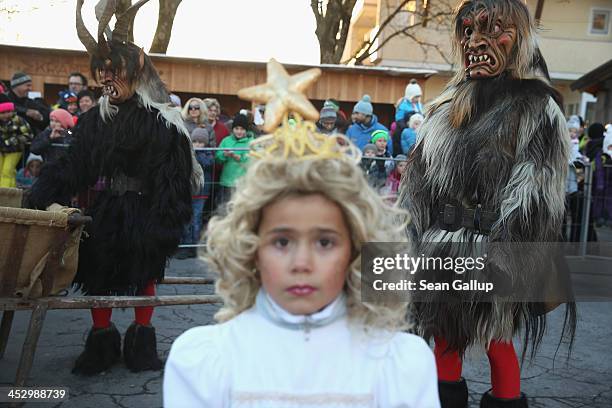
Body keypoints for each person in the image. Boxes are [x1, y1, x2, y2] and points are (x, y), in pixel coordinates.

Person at [164, 113, 439, 408]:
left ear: (355, 251)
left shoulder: (400, 363)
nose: (302, 263)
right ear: (252, 249)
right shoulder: (205, 360)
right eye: (282, 242)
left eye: (324, 242)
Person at [398, 1, 575, 407]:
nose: (476, 41)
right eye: (467, 31)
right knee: (444, 339)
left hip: (496, 250)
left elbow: (535, 195)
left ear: (518, 37)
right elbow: (416, 193)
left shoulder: (538, 108)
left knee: (497, 341)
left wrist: (506, 258)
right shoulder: (444, 109)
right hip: (440, 251)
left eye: (492, 30)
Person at [28, 0, 199, 376]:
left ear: (134, 74)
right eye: (102, 73)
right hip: (108, 210)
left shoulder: (161, 123)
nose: (107, 81)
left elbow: (173, 181)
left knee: (145, 276)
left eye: (115, 72)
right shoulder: (95, 121)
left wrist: (164, 225)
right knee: (99, 274)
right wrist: (42, 191)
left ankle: (142, 343)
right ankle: (101, 344)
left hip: (145, 210)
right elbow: (77, 164)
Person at [175, 127, 215, 259]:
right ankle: (186, 244)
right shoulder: (188, 153)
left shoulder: (207, 154)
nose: (198, 145)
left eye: (201, 142)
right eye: (195, 142)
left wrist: (199, 154)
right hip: (189, 190)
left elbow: (208, 163)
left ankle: (194, 246)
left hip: (202, 192)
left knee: (196, 219)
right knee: (187, 219)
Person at [215, 113, 254, 207]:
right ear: (232, 129)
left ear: (246, 130)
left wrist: (238, 157)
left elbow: (252, 160)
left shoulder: (251, 142)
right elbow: (217, 158)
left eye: (242, 129)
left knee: (240, 209)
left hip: (243, 183)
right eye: (236, 128)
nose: (239, 131)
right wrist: (224, 155)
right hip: (226, 182)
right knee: (224, 208)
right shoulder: (226, 140)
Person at [0, 94, 33, 187]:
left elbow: (28, 135)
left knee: (7, 171)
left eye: (8, 111)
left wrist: (12, 141)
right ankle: (11, 189)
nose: (6, 115)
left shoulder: (18, 120)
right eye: (2, 113)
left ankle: (3, 194)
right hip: (1, 150)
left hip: (14, 150)